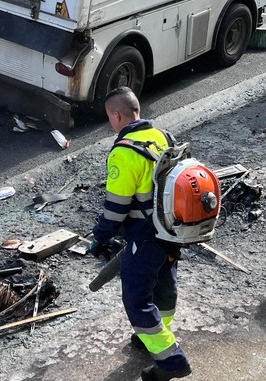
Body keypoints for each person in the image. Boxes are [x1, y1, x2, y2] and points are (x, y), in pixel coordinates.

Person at [89, 86, 192, 381]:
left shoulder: (123, 153)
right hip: (172, 230)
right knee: (164, 286)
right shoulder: (163, 136)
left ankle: (172, 361)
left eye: (110, 117)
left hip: (146, 236)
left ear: (117, 115)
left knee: (136, 300)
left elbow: (115, 209)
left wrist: (100, 236)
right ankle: (154, 339)